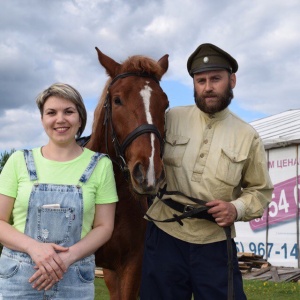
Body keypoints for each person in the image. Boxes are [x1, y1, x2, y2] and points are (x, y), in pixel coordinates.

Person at [140, 43, 273, 300]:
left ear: (231, 80)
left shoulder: (248, 136)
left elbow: (260, 191)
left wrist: (236, 209)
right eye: (200, 80)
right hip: (165, 238)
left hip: (215, 245)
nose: (208, 87)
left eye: (215, 79)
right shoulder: (171, 118)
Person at [0, 83, 118, 299]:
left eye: (69, 111)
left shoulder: (100, 166)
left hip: (74, 278)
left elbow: (104, 226)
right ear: (43, 119)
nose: (60, 119)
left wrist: (67, 257)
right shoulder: (19, 161)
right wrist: (34, 248)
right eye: (51, 112)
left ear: (80, 118)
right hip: (19, 278)